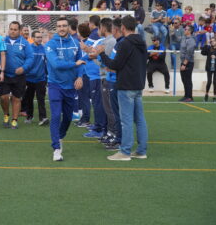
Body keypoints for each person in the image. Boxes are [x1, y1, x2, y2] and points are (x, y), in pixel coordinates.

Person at [92, 15, 148, 161]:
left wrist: (102, 54)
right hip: (138, 86)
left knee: (126, 120)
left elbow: (115, 65)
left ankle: (125, 152)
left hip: (126, 86)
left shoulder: (125, 43)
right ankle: (141, 150)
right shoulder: (142, 41)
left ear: (123, 27)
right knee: (140, 119)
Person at [45, 17, 85, 161]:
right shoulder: (50, 45)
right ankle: (56, 148)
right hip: (55, 85)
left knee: (68, 118)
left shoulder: (76, 43)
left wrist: (80, 77)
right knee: (56, 116)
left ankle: (60, 137)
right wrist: (74, 64)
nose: (61, 28)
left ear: (68, 27)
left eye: (64, 26)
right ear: (56, 28)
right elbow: (56, 64)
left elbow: (81, 62)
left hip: (70, 87)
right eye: (59, 26)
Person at [0, 21, 34, 129]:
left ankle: (14, 120)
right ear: (8, 29)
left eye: (15, 29)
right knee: (4, 97)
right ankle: (6, 114)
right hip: (5, 75)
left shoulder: (25, 43)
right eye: (11, 29)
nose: (13, 31)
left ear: (19, 31)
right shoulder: (2, 41)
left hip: (19, 76)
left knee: (16, 98)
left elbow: (30, 58)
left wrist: (23, 68)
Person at [102, 17, 123, 150]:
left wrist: (100, 56)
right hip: (112, 79)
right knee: (111, 110)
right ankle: (115, 136)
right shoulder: (117, 43)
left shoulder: (119, 43)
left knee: (114, 112)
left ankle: (117, 138)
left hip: (114, 81)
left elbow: (114, 64)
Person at [22, 31, 48, 125]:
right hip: (29, 79)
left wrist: (46, 75)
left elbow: (47, 63)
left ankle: (43, 118)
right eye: (37, 37)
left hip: (41, 78)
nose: (40, 39)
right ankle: (29, 116)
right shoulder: (28, 49)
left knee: (41, 99)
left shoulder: (44, 49)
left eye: (41, 37)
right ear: (32, 38)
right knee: (29, 99)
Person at [179, 25, 196, 102]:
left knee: (188, 80)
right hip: (183, 62)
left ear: (189, 31)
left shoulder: (191, 40)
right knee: (184, 79)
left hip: (188, 62)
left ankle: (189, 97)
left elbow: (189, 53)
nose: (184, 30)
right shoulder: (184, 38)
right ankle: (186, 95)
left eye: (186, 29)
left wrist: (184, 64)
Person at [201, 37, 216, 102]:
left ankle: (214, 96)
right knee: (209, 81)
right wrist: (206, 44)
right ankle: (206, 94)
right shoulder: (208, 48)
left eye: (214, 41)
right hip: (209, 67)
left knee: (215, 81)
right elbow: (202, 53)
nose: (212, 42)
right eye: (211, 41)